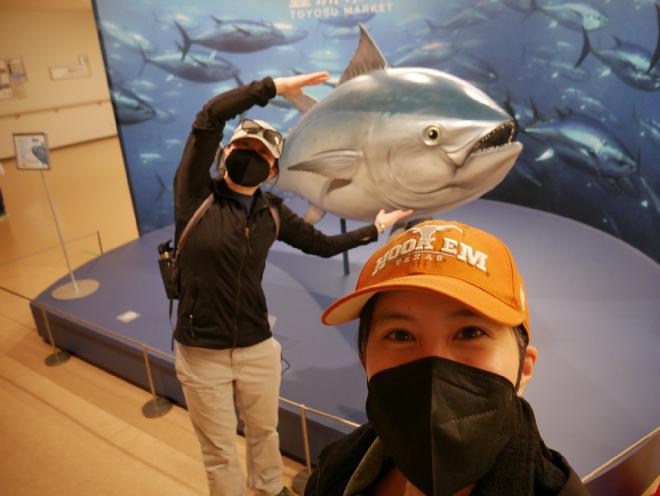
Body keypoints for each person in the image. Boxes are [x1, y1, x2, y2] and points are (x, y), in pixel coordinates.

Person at [172, 71, 412, 496]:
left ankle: (268, 489)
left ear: (272, 169)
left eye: (261, 152)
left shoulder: (273, 213)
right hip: (200, 351)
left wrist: (373, 230)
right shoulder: (195, 195)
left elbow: (321, 244)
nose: (250, 154)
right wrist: (272, 89)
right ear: (224, 152)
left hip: (257, 348)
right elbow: (208, 117)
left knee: (265, 434)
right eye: (242, 145)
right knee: (220, 451)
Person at [307, 219, 589, 495]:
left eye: (470, 333)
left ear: (524, 369)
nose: (433, 366)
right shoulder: (335, 468)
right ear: (366, 360)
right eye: (400, 335)